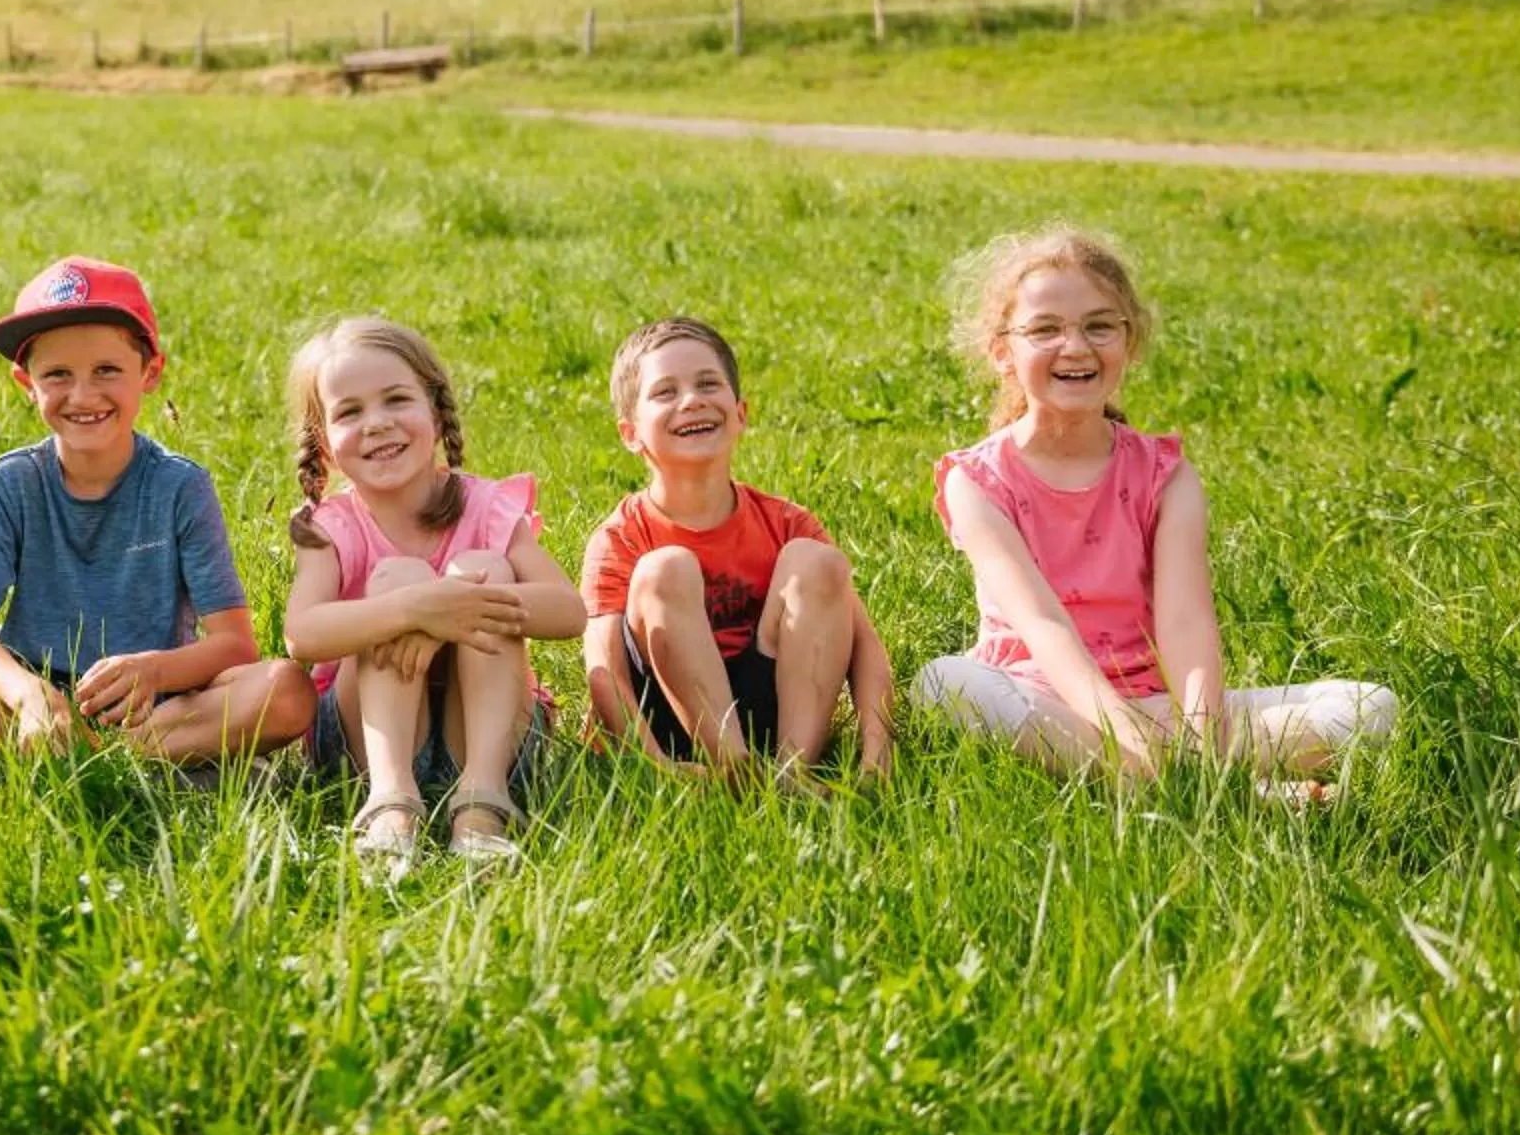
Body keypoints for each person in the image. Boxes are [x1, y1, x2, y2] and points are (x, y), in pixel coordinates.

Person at [916, 226, 1399, 791]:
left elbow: (1186, 621)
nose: (1075, 347)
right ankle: (1234, 791)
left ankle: (1159, 776)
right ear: (1002, 351)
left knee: (1370, 708)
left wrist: (1197, 734)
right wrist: (1119, 728)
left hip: (1158, 709)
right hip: (1040, 699)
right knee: (943, 684)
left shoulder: (1166, 477)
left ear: (1131, 341)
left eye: (1099, 326)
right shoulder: (976, 481)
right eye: (1045, 329)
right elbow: (1043, 625)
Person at [0, 257, 315, 762]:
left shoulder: (180, 486)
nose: (83, 395)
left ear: (150, 372)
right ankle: (49, 741)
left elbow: (234, 646)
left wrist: (154, 671)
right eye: (57, 374)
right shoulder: (10, 483)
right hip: (27, 694)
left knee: (287, 689)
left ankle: (115, 753)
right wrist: (28, 694)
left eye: (106, 370)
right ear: (26, 384)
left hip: (152, 701)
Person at [281, 318, 585, 870]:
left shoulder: (486, 508)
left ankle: (483, 805)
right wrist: (414, 609)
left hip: (489, 736)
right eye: (350, 412)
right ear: (323, 443)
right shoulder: (331, 526)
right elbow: (302, 635)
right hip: (364, 746)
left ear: (436, 412)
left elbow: (569, 612)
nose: (377, 424)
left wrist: (462, 604)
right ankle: (391, 804)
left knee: (483, 569)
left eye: (396, 399)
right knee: (400, 578)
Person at [579, 317, 892, 788]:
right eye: (665, 392)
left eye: (708, 383)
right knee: (666, 568)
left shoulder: (786, 523)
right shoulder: (621, 536)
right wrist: (655, 767)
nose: (692, 400)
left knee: (818, 562)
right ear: (630, 434)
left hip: (773, 706)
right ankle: (733, 769)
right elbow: (603, 670)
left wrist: (877, 750)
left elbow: (863, 642)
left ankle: (792, 774)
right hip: (671, 722)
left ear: (741, 412)